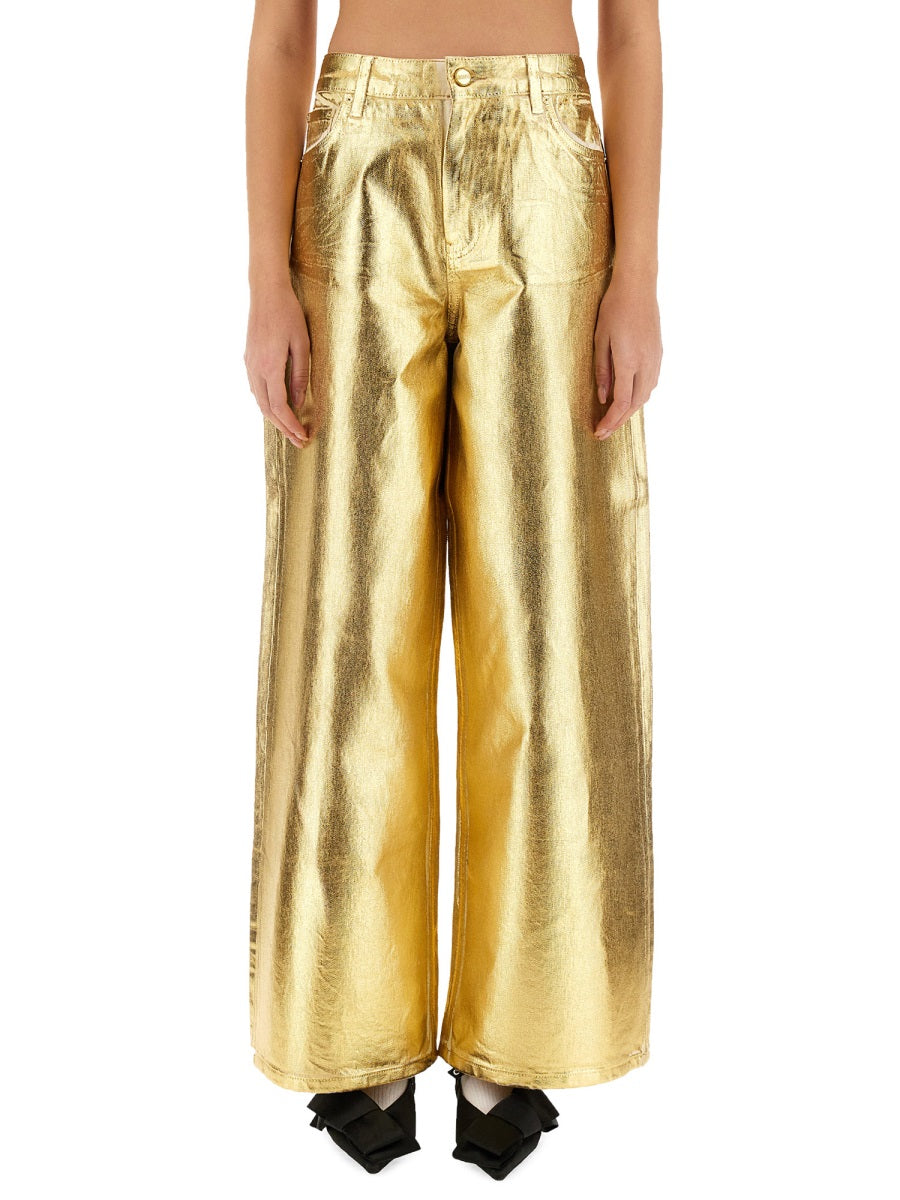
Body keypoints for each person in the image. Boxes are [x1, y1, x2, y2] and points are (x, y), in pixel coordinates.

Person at [243, 0, 662, 1178]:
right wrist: (266, 279)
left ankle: (528, 1024)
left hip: (546, 155)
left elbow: (632, 28)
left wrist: (638, 274)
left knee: (545, 609)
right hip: (357, 157)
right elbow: (280, 31)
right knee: (347, 609)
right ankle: (349, 1022)